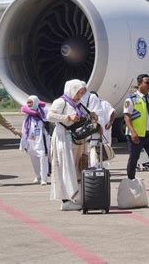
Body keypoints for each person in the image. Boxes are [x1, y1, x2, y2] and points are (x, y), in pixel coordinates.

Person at [48, 79, 89, 211]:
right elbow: (49, 116)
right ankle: (66, 200)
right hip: (63, 139)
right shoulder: (61, 102)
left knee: (76, 167)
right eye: (78, 92)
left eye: (81, 93)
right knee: (65, 167)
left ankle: (76, 196)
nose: (80, 95)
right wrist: (67, 118)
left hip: (76, 140)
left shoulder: (78, 104)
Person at [20, 95, 50, 185]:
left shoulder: (44, 111)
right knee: (33, 158)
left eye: (31, 102)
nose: (29, 104)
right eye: (28, 102)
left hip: (42, 138)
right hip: (31, 139)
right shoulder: (27, 112)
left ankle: (44, 178)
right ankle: (38, 176)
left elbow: (48, 119)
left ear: (36, 102)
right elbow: (23, 108)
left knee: (43, 157)